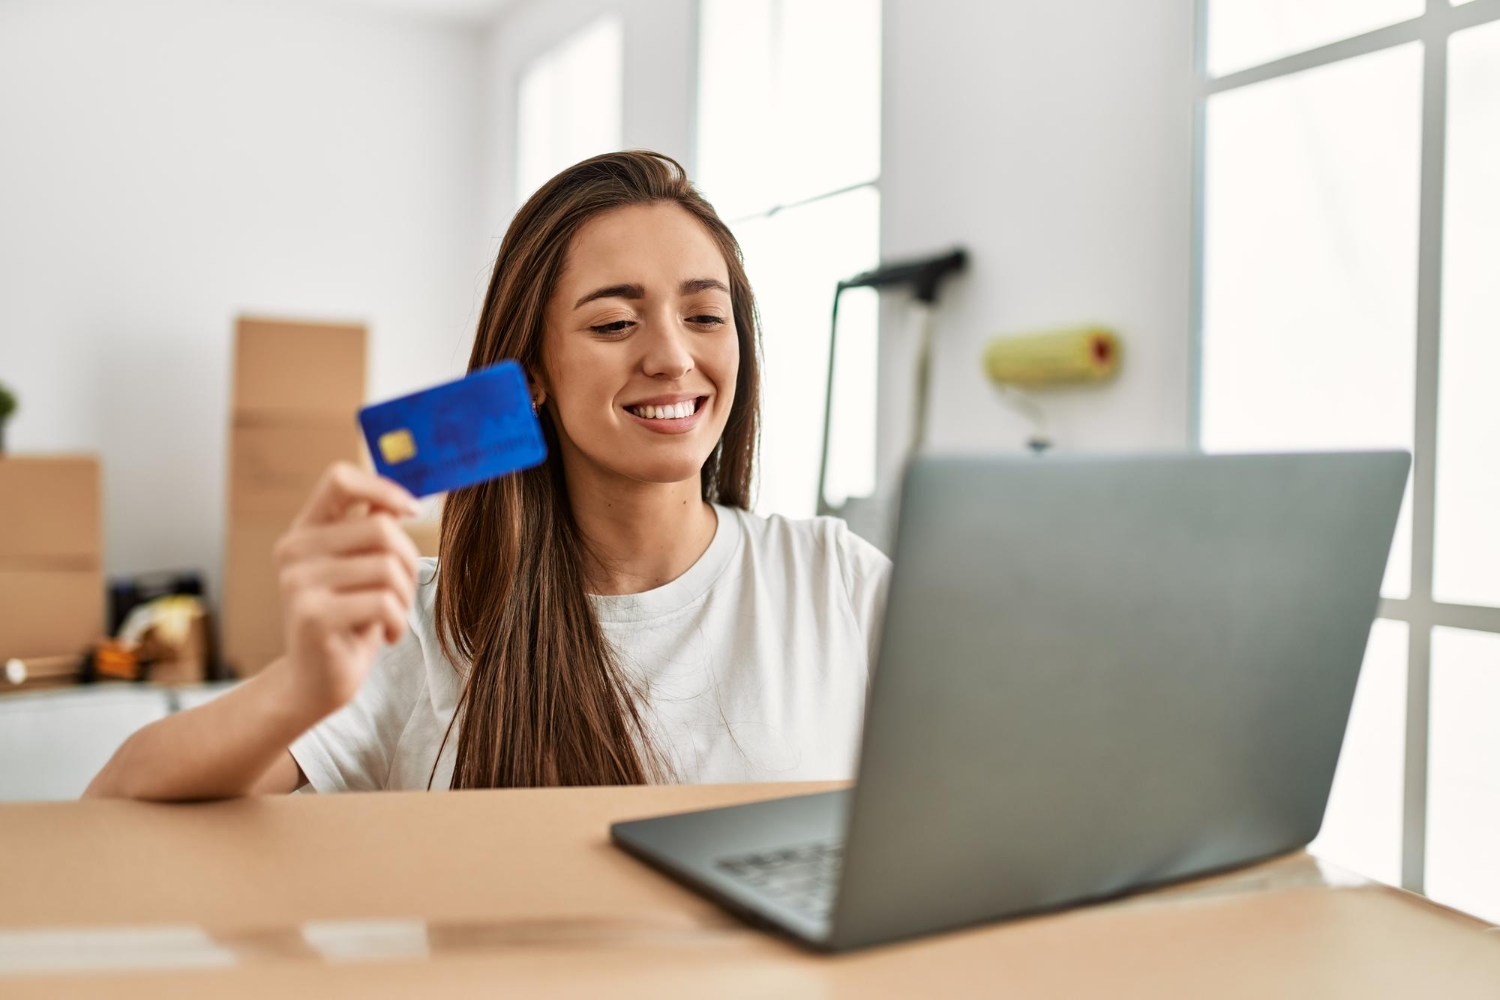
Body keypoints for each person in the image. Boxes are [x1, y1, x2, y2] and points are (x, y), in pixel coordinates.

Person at [85, 150, 892, 799]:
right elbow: (117, 800)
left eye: (705, 316)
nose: (673, 357)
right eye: (615, 321)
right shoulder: (426, 621)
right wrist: (302, 684)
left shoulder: (836, 581)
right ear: (529, 372)